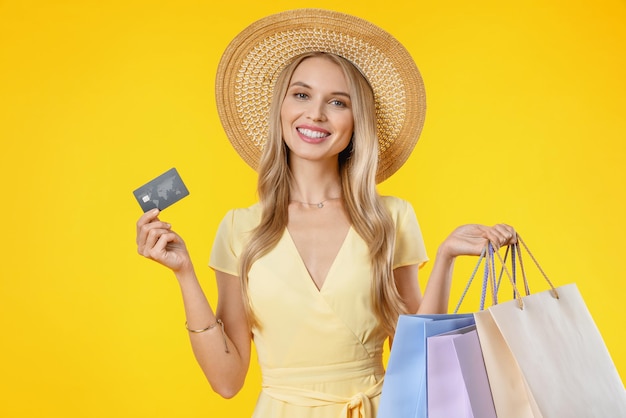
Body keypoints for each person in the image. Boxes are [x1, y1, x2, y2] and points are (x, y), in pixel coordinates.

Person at [135, 9, 516, 418]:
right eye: (301, 95)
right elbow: (227, 381)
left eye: (337, 102)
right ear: (280, 107)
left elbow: (418, 362)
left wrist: (445, 259)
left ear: (356, 123)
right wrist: (184, 273)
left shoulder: (391, 218)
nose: (315, 114)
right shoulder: (238, 228)